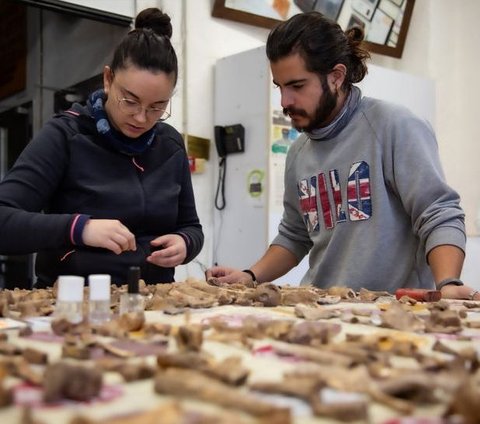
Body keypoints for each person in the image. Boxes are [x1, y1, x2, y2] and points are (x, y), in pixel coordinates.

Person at [207, 11, 479, 301]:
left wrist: (447, 282)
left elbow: (438, 213)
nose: (285, 101)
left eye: (297, 86)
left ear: (336, 76)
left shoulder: (393, 126)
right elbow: (294, 236)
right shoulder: (298, 152)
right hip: (322, 307)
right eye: (280, 87)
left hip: (390, 310)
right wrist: (249, 276)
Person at [0, 8, 203, 288]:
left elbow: (191, 226)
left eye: (157, 107)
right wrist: (79, 228)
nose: (142, 118)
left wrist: (186, 242)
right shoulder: (66, 135)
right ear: (108, 79)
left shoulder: (170, 144)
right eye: (129, 101)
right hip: (73, 302)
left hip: (155, 301)